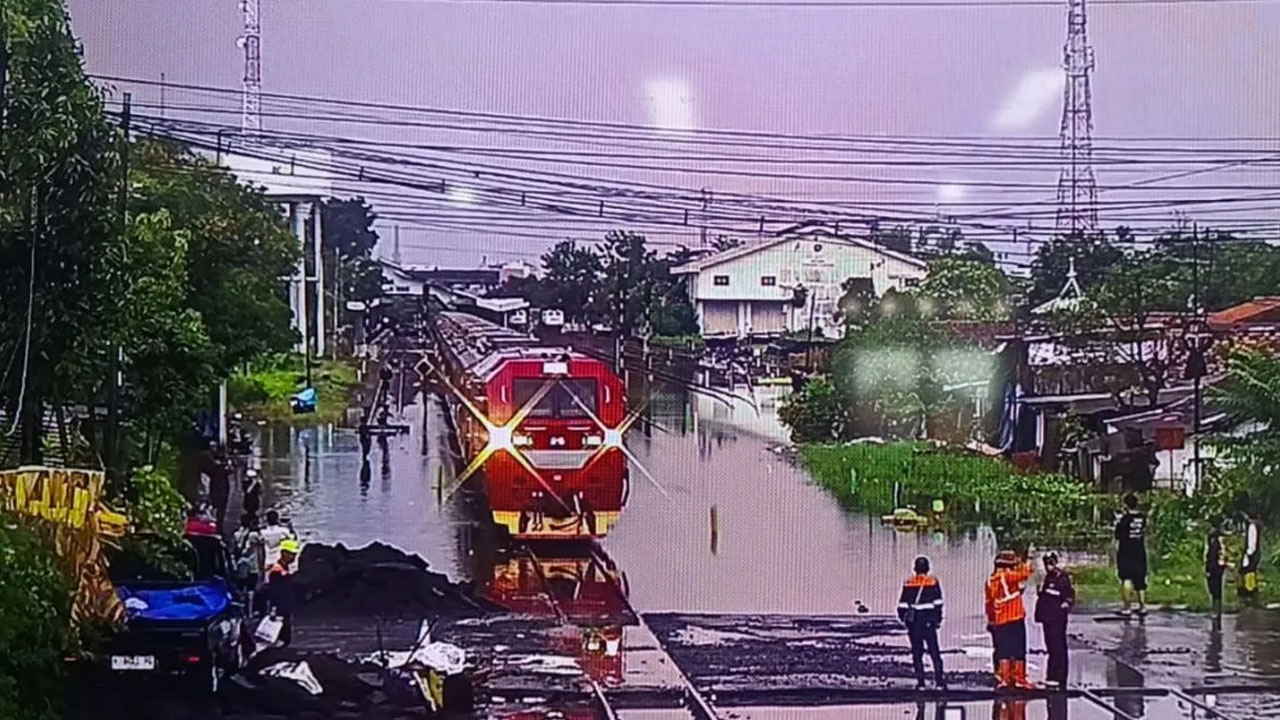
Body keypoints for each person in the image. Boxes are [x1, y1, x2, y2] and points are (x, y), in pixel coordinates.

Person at [985, 549, 1034, 689]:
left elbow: (988, 603)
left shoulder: (990, 580)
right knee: (1019, 649)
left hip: (1000, 618)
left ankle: (1004, 679)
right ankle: (1019, 679)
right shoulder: (1008, 576)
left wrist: (991, 619)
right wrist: (1026, 560)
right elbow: (1025, 573)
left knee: (1004, 649)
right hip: (1015, 616)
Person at [896, 556, 946, 690]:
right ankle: (939, 682)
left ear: (915, 569)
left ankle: (921, 683)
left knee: (917, 654)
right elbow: (938, 603)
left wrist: (906, 621)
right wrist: (937, 620)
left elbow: (902, 606)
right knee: (935, 653)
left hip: (915, 624)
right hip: (929, 623)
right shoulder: (933, 582)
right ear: (928, 568)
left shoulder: (908, 583)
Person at [1034, 553, 1075, 690]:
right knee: (1051, 646)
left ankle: (1059, 676)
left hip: (1057, 617)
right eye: (1046, 563)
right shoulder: (1047, 578)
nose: (1048, 566)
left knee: (1058, 646)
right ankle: (1051, 675)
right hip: (1048, 618)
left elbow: (1069, 595)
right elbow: (1043, 597)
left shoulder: (1062, 578)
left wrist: (1066, 604)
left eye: (1050, 563)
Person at [1114, 493, 1148, 617]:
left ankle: (1127, 607)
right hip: (1139, 551)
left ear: (1126, 505)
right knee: (1140, 580)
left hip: (1126, 552)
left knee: (1126, 578)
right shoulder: (1142, 518)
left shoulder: (1124, 519)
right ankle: (1142, 606)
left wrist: (1118, 520)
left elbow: (1118, 535)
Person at [266, 538, 300, 646]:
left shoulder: (285, 569)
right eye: (291, 554)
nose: (293, 557)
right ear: (283, 553)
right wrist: (275, 609)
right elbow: (276, 592)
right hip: (279, 609)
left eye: (294, 554)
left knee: (286, 636)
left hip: (285, 608)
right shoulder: (277, 571)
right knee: (281, 636)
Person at [260, 510, 295, 575]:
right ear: (277, 519)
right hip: (279, 559)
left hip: (267, 560)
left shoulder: (262, 532)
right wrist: (290, 526)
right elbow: (293, 538)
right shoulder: (283, 531)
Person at [1205, 519, 1228, 611]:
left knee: (1215, 585)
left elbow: (1221, 551)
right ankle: (1216, 604)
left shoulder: (1218, 538)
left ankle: (1217, 605)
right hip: (1213, 562)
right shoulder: (1212, 537)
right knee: (1215, 584)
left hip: (1215, 563)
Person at [1239, 512, 1262, 601]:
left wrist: (1248, 553)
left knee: (1249, 571)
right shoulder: (1257, 525)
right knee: (1251, 571)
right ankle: (1251, 590)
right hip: (1255, 552)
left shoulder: (1252, 526)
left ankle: (1249, 591)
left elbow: (1251, 541)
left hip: (1252, 552)